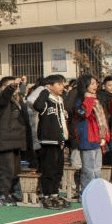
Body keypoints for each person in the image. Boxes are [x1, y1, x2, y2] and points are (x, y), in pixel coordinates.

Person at [33, 74, 69, 209]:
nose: (62, 87)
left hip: (60, 140)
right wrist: (45, 90)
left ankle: (55, 193)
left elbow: (63, 120)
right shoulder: (46, 99)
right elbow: (37, 106)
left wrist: (65, 136)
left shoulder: (60, 100)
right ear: (50, 86)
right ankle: (47, 195)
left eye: (62, 84)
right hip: (48, 140)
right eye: (59, 84)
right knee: (49, 169)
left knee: (58, 169)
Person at [0, 77, 29, 206]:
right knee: (5, 169)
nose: (14, 87)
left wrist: (22, 85)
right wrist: (11, 87)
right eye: (11, 85)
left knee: (15, 169)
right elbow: (2, 100)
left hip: (17, 137)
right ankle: (2, 194)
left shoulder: (18, 98)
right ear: (3, 86)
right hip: (5, 138)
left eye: (15, 85)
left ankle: (12, 192)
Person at [73, 74, 109, 194]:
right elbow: (85, 114)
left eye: (96, 83)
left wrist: (104, 136)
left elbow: (103, 119)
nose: (95, 86)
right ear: (85, 85)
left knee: (98, 168)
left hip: (98, 137)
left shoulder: (97, 100)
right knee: (88, 169)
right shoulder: (81, 100)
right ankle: (86, 192)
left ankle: (98, 191)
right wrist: (89, 100)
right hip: (87, 137)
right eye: (92, 83)